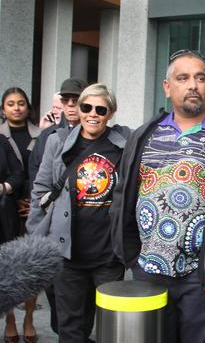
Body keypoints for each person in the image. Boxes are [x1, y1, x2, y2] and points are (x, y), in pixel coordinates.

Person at [110, 49, 205, 343]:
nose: (192, 85)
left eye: (200, 78)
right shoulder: (143, 135)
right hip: (148, 272)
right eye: (183, 78)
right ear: (168, 87)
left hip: (201, 277)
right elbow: (122, 195)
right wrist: (130, 255)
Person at [27, 83, 130, 343]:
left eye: (100, 109)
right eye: (86, 107)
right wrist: (37, 237)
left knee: (110, 325)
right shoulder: (58, 141)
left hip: (108, 255)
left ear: (111, 112)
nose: (92, 114)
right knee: (70, 327)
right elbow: (40, 190)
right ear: (79, 109)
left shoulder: (125, 144)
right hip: (67, 254)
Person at [28, 78, 88, 338]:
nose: (72, 105)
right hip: (55, 227)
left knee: (81, 299)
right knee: (55, 292)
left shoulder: (102, 134)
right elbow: (37, 180)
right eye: (67, 100)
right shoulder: (49, 136)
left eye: (77, 100)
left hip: (89, 230)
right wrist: (35, 224)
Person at [0, 87, 41, 343]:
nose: (16, 108)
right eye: (10, 104)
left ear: (28, 106)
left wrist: (34, 202)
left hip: (33, 205)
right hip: (6, 209)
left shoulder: (41, 134)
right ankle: (11, 320)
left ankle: (29, 317)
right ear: (3, 109)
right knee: (8, 266)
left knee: (31, 265)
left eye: (21, 103)